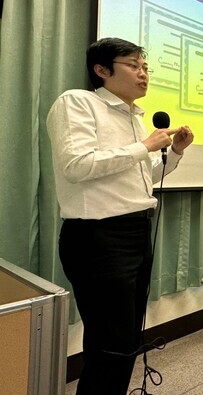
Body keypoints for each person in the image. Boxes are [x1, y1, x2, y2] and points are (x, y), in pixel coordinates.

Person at [47, 38, 194, 395]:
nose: (143, 74)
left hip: (134, 233)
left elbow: (141, 179)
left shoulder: (134, 119)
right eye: (133, 65)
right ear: (102, 70)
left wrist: (172, 153)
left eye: (146, 67)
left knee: (126, 339)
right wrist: (143, 147)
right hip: (98, 237)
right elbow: (77, 166)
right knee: (110, 344)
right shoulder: (78, 102)